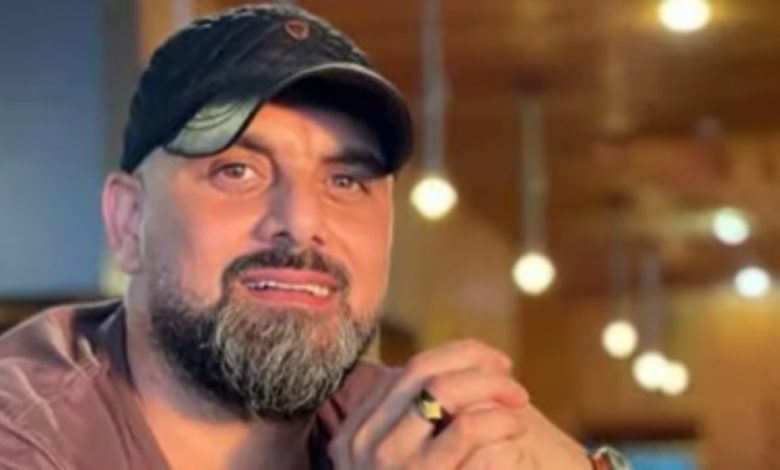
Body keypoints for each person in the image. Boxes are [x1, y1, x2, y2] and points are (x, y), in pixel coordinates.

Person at [0, 4, 628, 470]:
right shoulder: (27, 435)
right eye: (237, 171)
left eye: (346, 180)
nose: (301, 222)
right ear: (128, 222)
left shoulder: (408, 424)